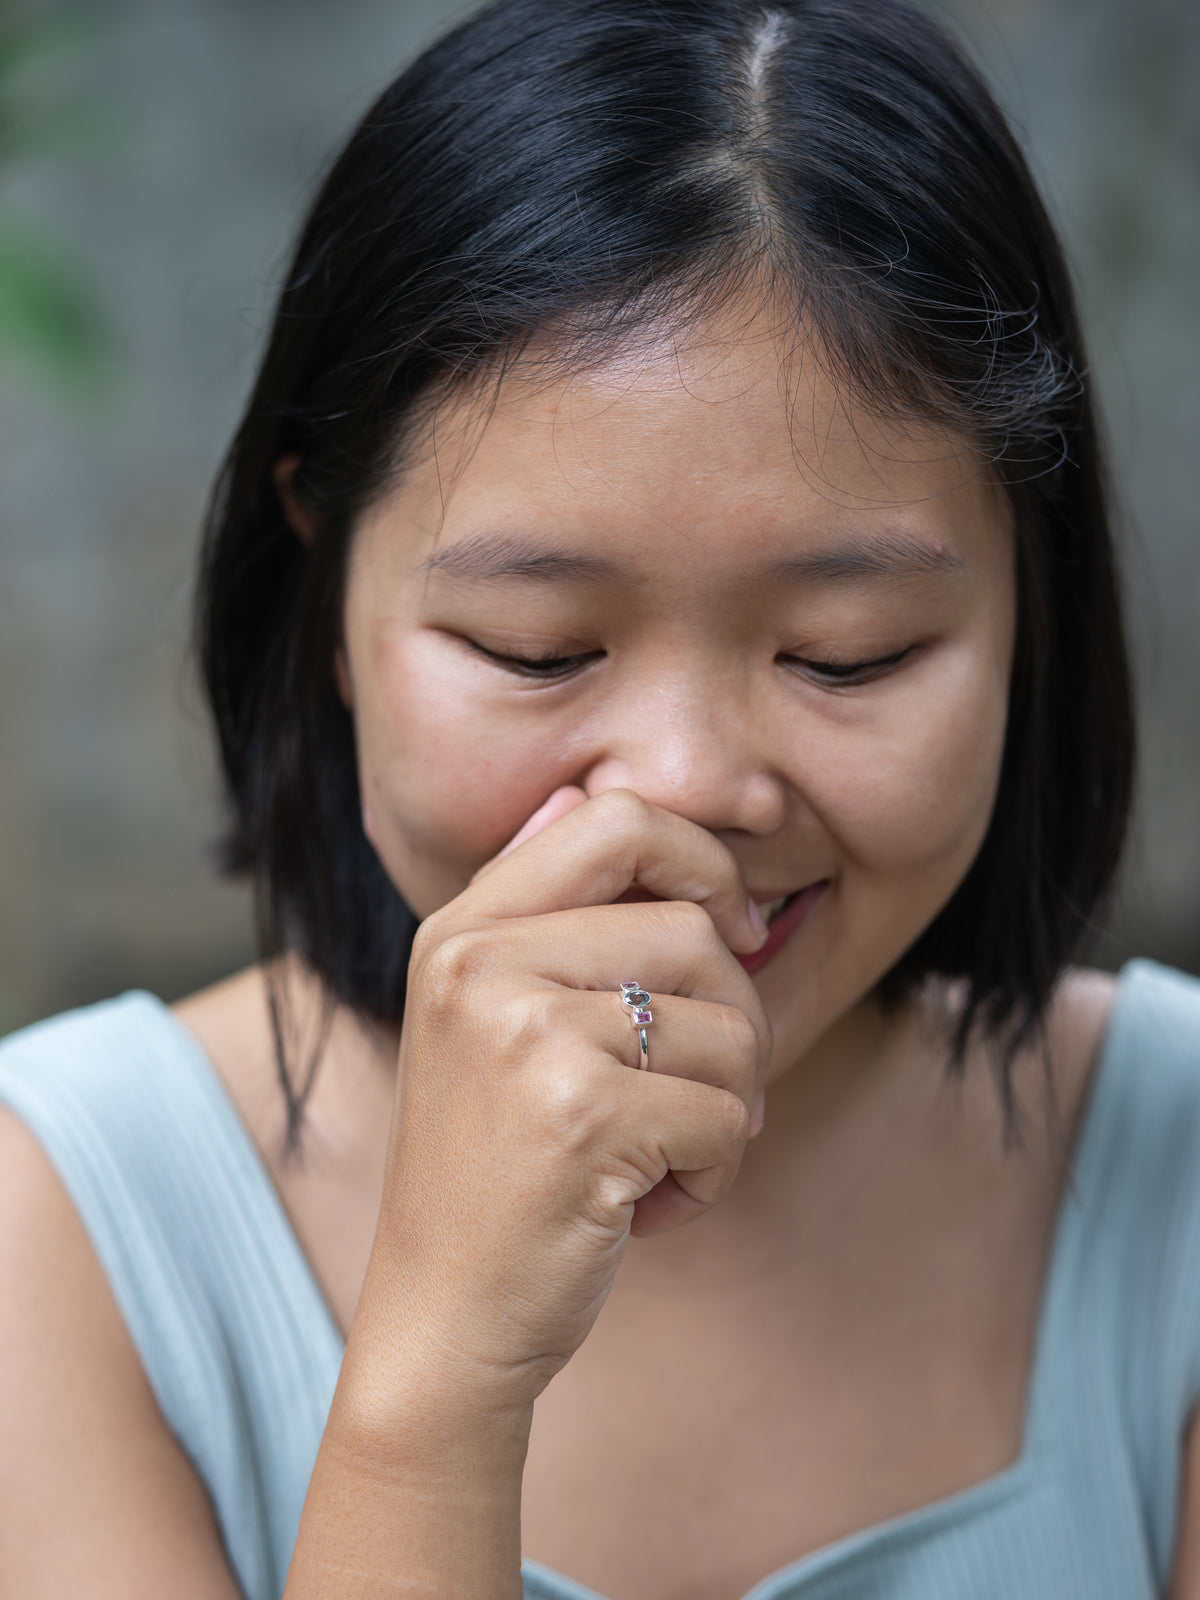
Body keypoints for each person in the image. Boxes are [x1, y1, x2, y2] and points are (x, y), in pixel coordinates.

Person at [2, 0, 1198, 1595]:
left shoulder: (1177, 1170)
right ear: (327, 588)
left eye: (847, 655)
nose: (691, 786)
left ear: (1025, 610)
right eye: (538, 646)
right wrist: (432, 1393)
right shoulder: (60, 1229)